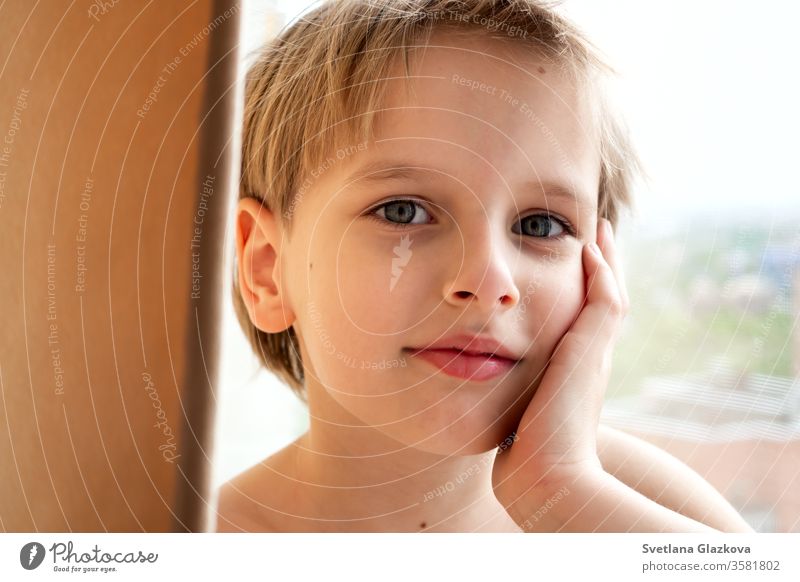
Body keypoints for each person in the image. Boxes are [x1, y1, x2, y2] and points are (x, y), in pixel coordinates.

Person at [216, 0, 753, 532]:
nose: (489, 281)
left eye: (541, 225)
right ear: (267, 268)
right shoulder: (181, 534)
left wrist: (560, 492)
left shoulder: (638, 505)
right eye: (403, 212)